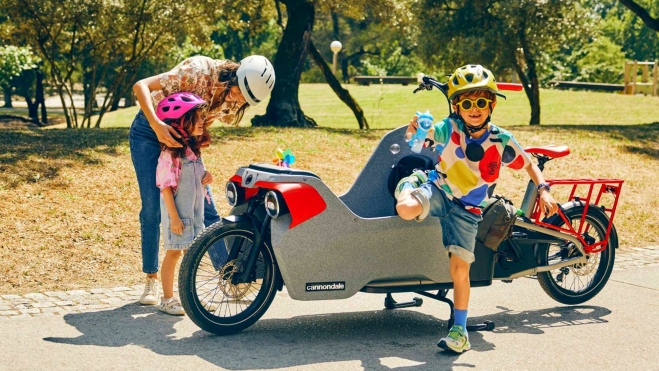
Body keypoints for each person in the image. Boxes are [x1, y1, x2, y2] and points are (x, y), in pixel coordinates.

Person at [394, 64, 558, 353]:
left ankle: (460, 332)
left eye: (481, 102)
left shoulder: (501, 140)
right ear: (457, 106)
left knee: (460, 270)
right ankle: (413, 181)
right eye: (467, 102)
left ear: (491, 104)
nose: (475, 108)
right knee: (405, 208)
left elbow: (529, 163)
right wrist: (418, 129)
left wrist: (543, 189)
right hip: (439, 191)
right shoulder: (450, 128)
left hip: (468, 211)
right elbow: (431, 133)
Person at [130, 55, 275, 305]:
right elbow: (140, 85)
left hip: (183, 140)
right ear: (236, 75)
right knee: (153, 207)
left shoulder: (234, 100)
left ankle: (228, 275)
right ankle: (151, 280)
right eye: (239, 92)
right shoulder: (196, 72)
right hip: (149, 131)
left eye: (244, 100)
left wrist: (199, 145)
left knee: (207, 207)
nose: (238, 100)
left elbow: (201, 122)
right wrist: (156, 126)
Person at [154, 92, 210, 315]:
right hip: (177, 215)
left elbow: (198, 179)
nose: (201, 123)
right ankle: (167, 299)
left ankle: (192, 299)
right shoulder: (170, 153)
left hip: (195, 214)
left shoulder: (193, 150)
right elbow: (165, 187)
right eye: (195, 119)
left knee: (192, 255)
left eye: (201, 119)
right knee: (174, 253)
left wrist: (207, 178)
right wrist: (174, 218)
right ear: (180, 122)